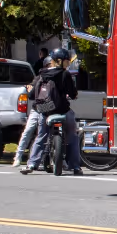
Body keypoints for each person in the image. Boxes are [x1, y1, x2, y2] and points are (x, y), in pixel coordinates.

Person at [23, 48, 81, 176]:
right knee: (72, 136)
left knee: (41, 135)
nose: (67, 64)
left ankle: (32, 163)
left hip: (45, 111)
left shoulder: (42, 74)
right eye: (66, 61)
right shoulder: (65, 74)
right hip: (63, 111)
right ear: (59, 61)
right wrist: (74, 95)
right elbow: (72, 93)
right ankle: (76, 166)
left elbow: (32, 94)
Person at [12, 57, 51, 168]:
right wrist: (31, 89)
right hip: (37, 109)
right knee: (28, 130)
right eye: (49, 66)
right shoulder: (39, 78)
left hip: (50, 109)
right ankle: (18, 156)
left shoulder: (57, 77)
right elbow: (31, 93)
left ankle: (58, 160)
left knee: (51, 134)